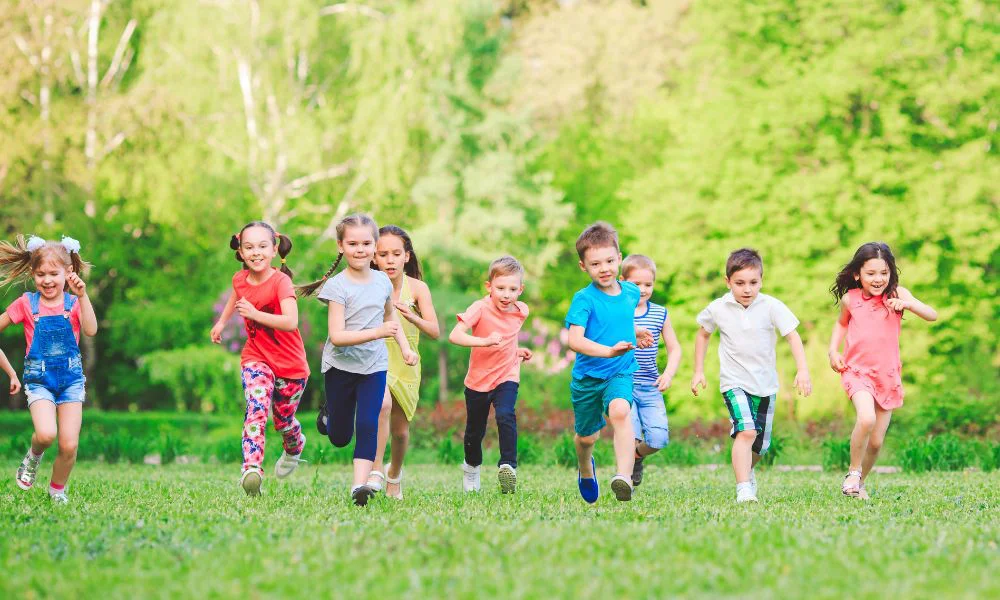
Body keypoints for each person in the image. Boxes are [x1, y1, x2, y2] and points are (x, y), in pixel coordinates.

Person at [298, 214, 417, 506]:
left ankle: (359, 486)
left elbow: (391, 317)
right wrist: (377, 332)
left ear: (375, 246)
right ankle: (330, 414)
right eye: (353, 243)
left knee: (368, 423)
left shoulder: (382, 282)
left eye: (366, 243)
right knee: (339, 436)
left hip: (374, 367)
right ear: (341, 246)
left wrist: (404, 349)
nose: (360, 249)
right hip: (340, 368)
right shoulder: (337, 287)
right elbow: (337, 336)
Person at [691, 248, 811, 504]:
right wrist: (698, 370)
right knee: (745, 431)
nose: (747, 289)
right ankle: (743, 487)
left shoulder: (771, 306)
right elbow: (702, 334)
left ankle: (747, 470)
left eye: (753, 282)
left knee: (760, 445)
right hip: (734, 382)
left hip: (766, 385)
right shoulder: (718, 308)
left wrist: (802, 370)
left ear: (761, 280)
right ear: (728, 282)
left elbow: (792, 335)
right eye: (740, 283)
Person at [828, 242, 937, 500]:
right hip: (857, 372)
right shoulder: (850, 300)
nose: (878, 279)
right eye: (871, 273)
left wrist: (907, 305)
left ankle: (859, 484)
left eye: (884, 273)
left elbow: (932, 315)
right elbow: (841, 325)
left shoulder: (898, 294)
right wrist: (833, 351)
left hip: (887, 376)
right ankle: (853, 472)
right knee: (866, 419)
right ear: (857, 274)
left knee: (876, 441)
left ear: (891, 273)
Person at [211, 222, 310, 497]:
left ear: (274, 249)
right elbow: (236, 295)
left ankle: (295, 445)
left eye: (262, 246)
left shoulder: (281, 282)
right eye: (249, 247)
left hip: (291, 365)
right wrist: (221, 323)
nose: (256, 252)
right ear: (241, 251)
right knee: (256, 407)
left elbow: (291, 321)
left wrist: (254, 314)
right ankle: (251, 469)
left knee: (283, 421)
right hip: (256, 357)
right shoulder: (240, 279)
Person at [0, 235, 98, 504]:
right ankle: (33, 456)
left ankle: (57, 490)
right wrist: (10, 371)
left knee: (69, 444)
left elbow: (90, 329)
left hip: (71, 381)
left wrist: (84, 296)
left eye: (54, 273)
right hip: (39, 380)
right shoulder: (25, 304)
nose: (47, 280)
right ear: (33, 274)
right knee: (46, 434)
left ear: (69, 273)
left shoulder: (75, 303)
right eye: (41, 274)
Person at [564, 222, 652, 503]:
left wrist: (635, 333)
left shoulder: (631, 292)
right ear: (583, 267)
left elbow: (621, 319)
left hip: (621, 371)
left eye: (610, 261)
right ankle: (585, 468)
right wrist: (608, 351)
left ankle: (623, 478)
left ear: (619, 258)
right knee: (586, 438)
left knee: (620, 411)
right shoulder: (584, 299)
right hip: (588, 378)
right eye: (595, 264)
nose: (604, 268)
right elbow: (575, 340)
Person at [368, 225, 440, 499]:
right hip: (375, 360)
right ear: (374, 258)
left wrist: (412, 317)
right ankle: (374, 472)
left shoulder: (418, 288)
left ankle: (394, 473)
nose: (389, 260)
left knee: (400, 431)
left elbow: (434, 332)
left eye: (396, 253)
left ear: (406, 257)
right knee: (379, 410)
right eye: (383, 254)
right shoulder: (368, 286)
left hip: (407, 363)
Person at [449, 256, 532, 494]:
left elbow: (508, 338)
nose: (507, 295)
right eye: (501, 288)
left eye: (513, 289)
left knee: (506, 414)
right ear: (489, 287)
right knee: (475, 431)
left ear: (520, 290)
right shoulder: (480, 308)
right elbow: (455, 336)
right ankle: (471, 469)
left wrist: (516, 352)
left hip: (507, 374)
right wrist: (484, 341)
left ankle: (508, 466)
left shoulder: (521, 310)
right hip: (478, 380)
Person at [620, 254, 682, 488]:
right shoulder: (618, 312)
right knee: (631, 434)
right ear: (622, 281)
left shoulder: (660, 313)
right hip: (624, 382)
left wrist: (668, 374)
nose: (643, 289)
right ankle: (624, 482)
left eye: (648, 284)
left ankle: (636, 457)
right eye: (636, 284)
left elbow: (675, 349)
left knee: (658, 439)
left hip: (650, 385)